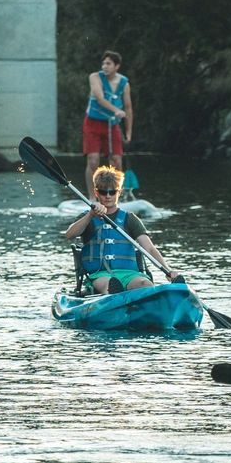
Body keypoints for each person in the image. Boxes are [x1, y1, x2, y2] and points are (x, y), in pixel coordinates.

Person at [65, 164, 174, 294]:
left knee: (145, 284)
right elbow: (70, 234)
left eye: (112, 192)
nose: (108, 196)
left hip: (129, 274)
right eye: (103, 192)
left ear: (119, 192)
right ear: (96, 192)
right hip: (100, 275)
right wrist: (90, 215)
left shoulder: (130, 219)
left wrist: (168, 270)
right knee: (109, 284)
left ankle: (142, 304)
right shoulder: (87, 216)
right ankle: (113, 295)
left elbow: (149, 248)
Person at [84, 51, 133, 188]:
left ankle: (115, 195)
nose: (104, 66)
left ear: (116, 66)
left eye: (108, 64)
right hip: (93, 123)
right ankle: (92, 197)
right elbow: (100, 99)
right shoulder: (95, 77)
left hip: (112, 125)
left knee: (116, 161)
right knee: (93, 160)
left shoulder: (124, 83)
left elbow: (128, 108)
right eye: (103, 63)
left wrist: (128, 133)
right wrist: (116, 110)